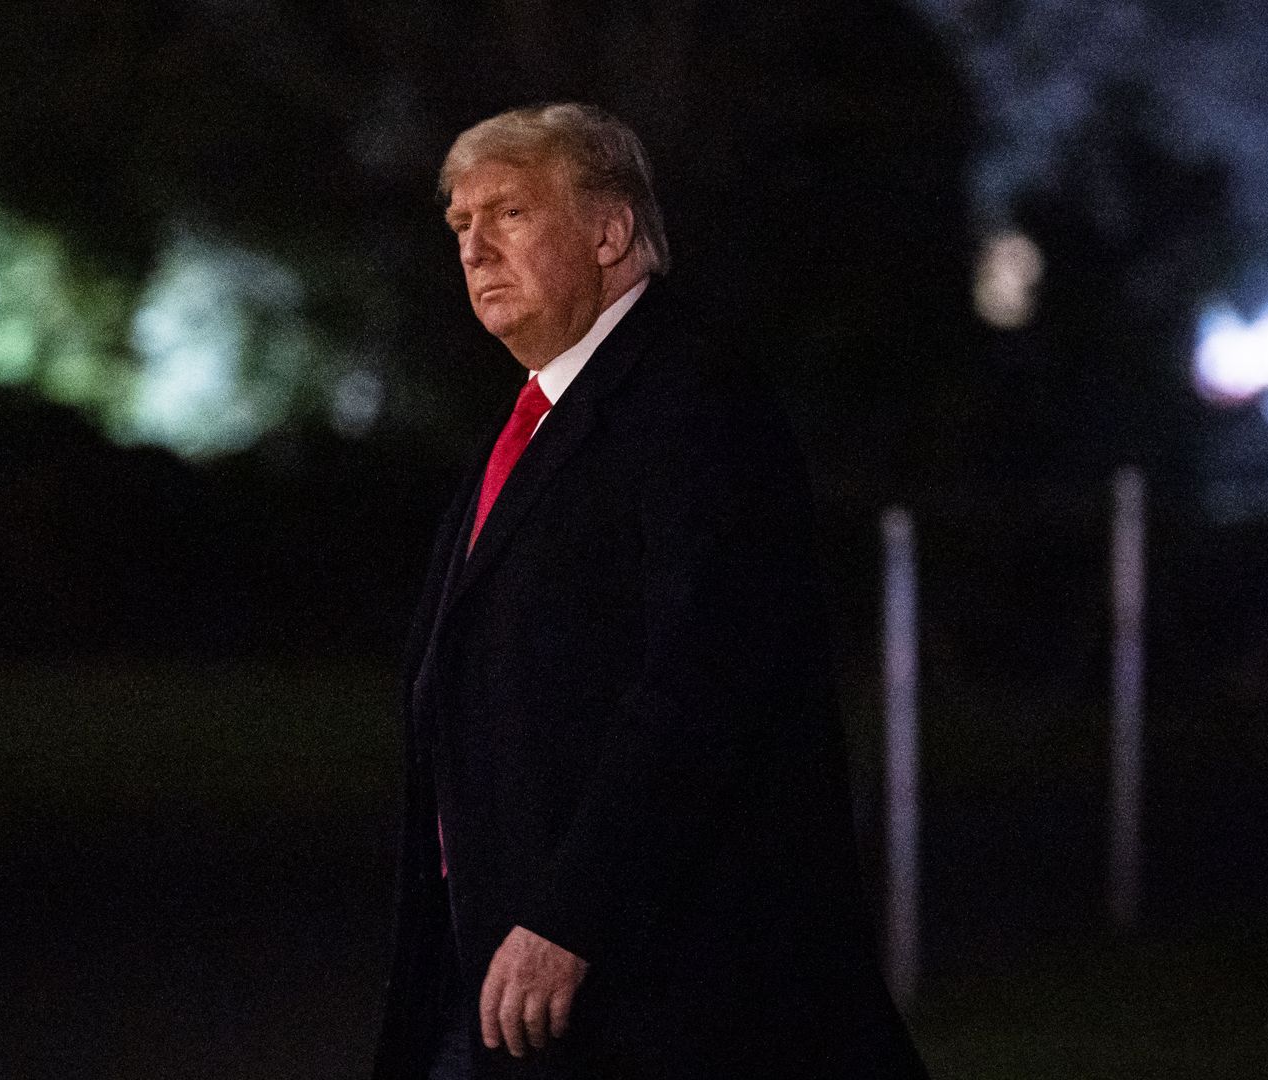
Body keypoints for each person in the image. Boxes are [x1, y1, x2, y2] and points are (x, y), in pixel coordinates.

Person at [372, 103, 930, 1080]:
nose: (473, 249)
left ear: (609, 230)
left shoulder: (692, 403)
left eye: (506, 214)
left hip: (656, 990)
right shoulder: (542, 412)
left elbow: (700, 686)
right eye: (460, 226)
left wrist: (569, 914)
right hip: (506, 968)